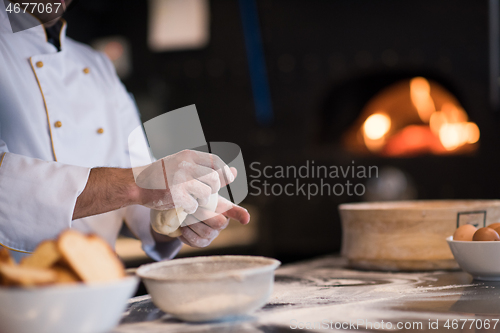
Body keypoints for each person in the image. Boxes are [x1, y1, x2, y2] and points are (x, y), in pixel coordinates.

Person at [0, 0, 250, 261]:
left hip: (101, 283)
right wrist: (137, 186)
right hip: (12, 288)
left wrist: (182, 214)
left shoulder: (98, 65)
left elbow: (140, 172)